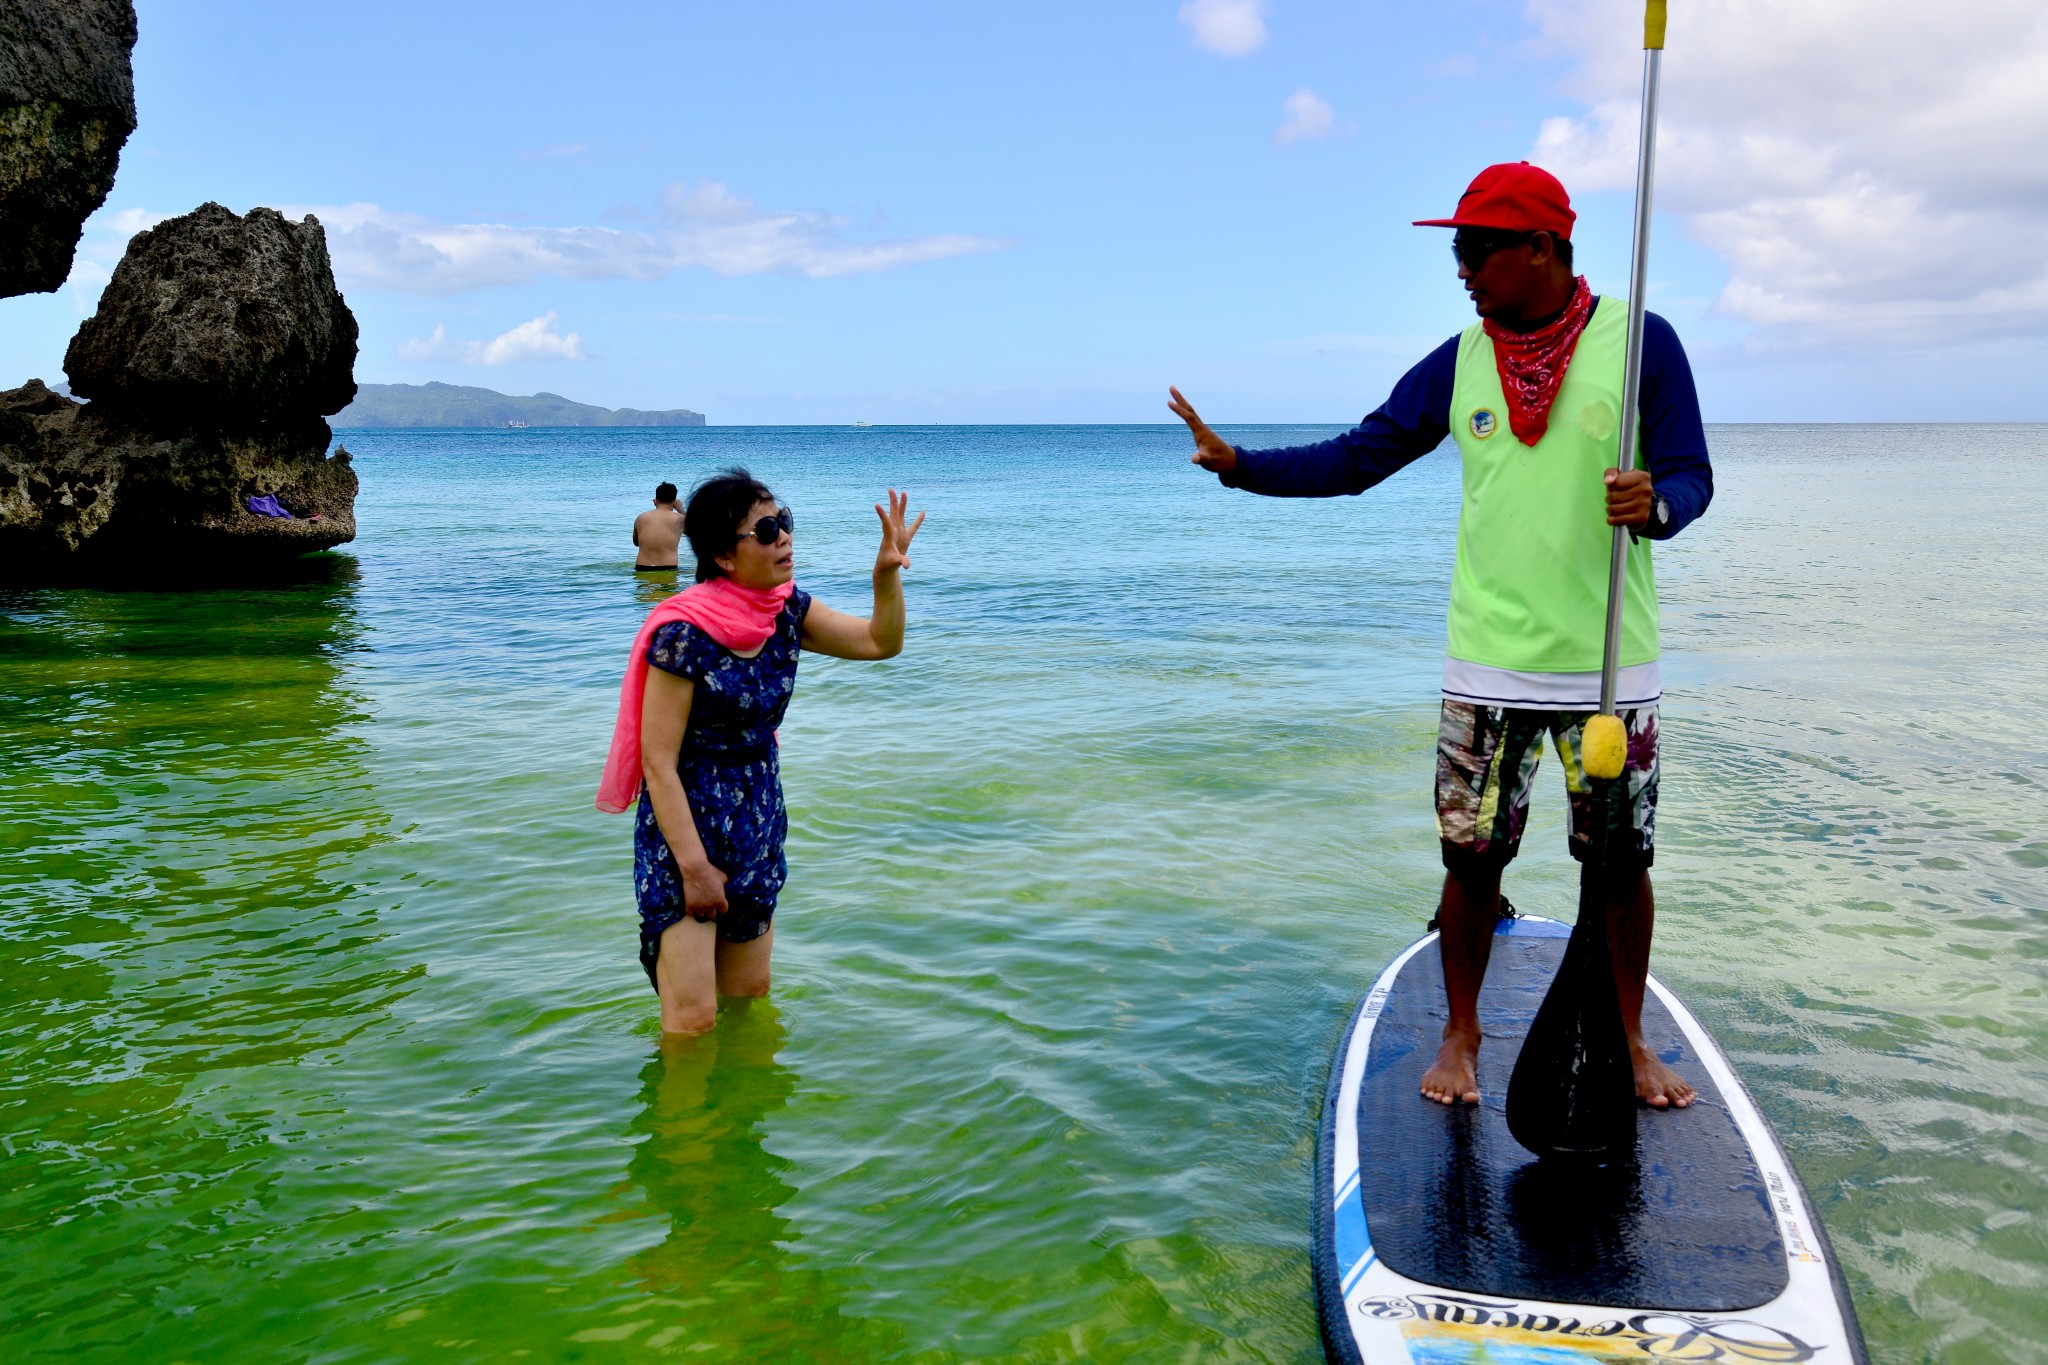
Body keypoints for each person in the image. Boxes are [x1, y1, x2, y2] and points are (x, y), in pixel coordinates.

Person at [1170, 162, 1712, 1110]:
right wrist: (1239, 465)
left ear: (1541, 248)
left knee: (1621, 864)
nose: (1461, 269)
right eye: (1457, 252)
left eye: (1475, 250)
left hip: (1610, 671)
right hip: (1487, 662)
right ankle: (1461, 1034)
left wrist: (1657, 502)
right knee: (1471, 860)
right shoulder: (1461, 358)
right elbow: (1358, 456)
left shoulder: (1641, 346)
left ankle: (1628, 1038)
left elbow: (1693, 474)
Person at [597, 468, 924, 1034]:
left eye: (786, 523)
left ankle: (744, 1118)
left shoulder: (786, 611)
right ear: (724, 556)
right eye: (768, 529)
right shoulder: (685, 633)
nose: (785, 538)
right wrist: (695, 867)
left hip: (757, 814)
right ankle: (684, 1124)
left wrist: (884, 579)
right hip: (688, 826)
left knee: (750, 997)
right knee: (692, 1020)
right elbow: (658, 761)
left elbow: (880, 643)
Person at [633, 482, 686, 571]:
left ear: (654, 501)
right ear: (674, 503)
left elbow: (636, 543)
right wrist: (681, 510)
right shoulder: (680, 519)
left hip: (641, 568)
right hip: (668, 568)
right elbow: (698, 535)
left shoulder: (641, 517)